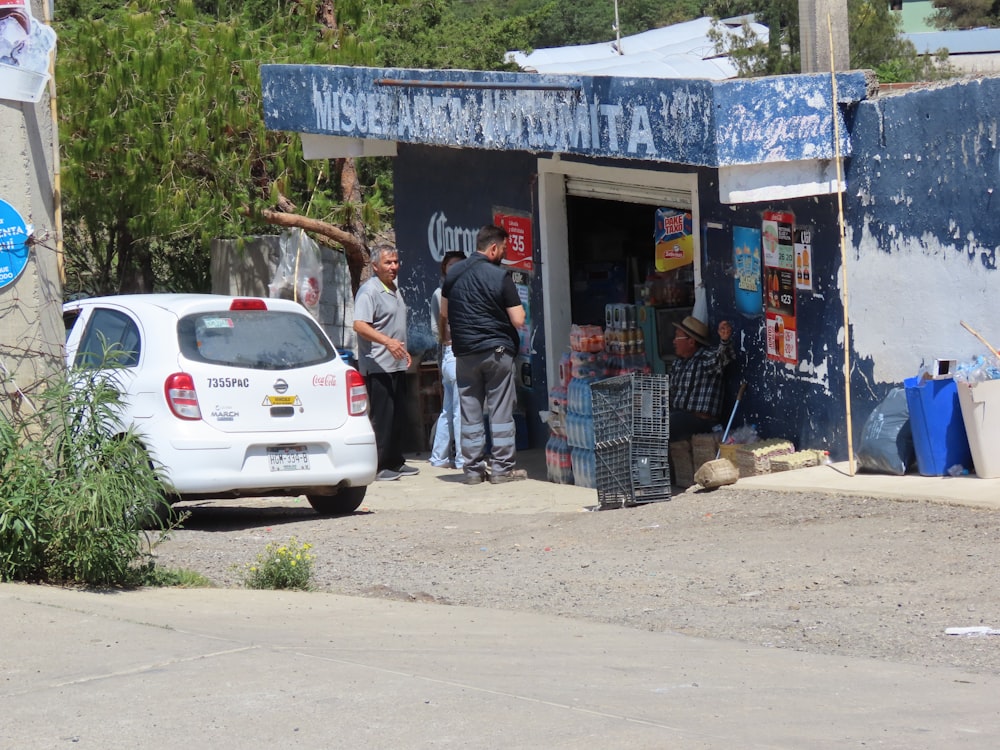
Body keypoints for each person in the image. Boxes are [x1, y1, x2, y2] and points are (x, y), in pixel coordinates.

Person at [441, 225, 526, 485]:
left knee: (469, 412)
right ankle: (501, 469)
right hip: (496, 352)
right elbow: (519, 319)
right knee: (500, 411)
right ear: (492, 248)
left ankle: (473, 471)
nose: (504, 253)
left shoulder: (453, 273)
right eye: (503, 249)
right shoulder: (499, 276)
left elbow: (444, 312)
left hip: (464, 353)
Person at [353, 244, 420, 481]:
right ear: (375, 266)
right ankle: (379, 466)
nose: (393, 267)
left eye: (395, 262)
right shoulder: (369, 291)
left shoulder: (393, 287)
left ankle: (395, 461)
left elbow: (394, 324)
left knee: (397, 415)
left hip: (396, 362)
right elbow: (360, 325)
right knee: (382, 418)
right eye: (388, 263)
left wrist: (403, 348)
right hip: (378, 365)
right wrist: (388, 343)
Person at [428, 251, 466, 469]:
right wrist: (448, 341)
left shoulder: (457, 290)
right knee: (459, 410)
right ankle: (461, 459)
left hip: (451, 355)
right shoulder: (441, 293)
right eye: (451, 265)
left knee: (448, 410)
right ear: (444, 268)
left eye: (459, 265)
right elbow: (437, 327)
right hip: (453, 354)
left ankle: (439, 457)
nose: (455, 268)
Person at [669, 315, 735, 441]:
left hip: (701, 422)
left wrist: (725, 341)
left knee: (672, 422)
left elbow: (722, 358)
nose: (674, 341)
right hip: (678, 415)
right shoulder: (677, 364)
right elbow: (670, 393)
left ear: (691, 342)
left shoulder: (706, 358)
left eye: (677, 337)